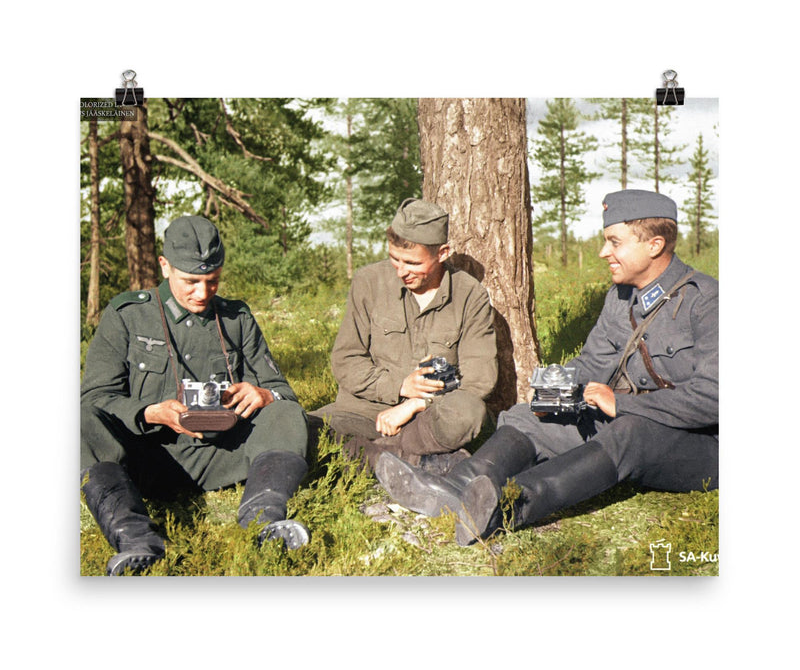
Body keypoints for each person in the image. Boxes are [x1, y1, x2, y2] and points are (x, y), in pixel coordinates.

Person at [375, 189, 718, 546]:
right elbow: (593, 363)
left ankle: (509, 506)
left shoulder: (707, 301)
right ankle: (457, 486)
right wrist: (553, 395)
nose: (604, 252)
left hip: (699, 447)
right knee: (528, 415)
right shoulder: (621, 297)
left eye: (614, 242)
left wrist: (624, 405)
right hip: (628, 424)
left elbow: (714, 397)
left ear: (655, 245)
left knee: (630, 430)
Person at [81, 215, 311, 575]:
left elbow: (283, 392)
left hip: (225, 455)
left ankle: (264, 520)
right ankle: (136, 540)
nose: (202, 294)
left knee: (285, 412)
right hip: (148, 459)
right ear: (165, 266)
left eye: (213, 281)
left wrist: (264, 395)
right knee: (79, 423)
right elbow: (96, 398)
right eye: (190, 281)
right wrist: (149, 413)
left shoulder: (236, 318)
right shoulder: (127, 315)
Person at [310, 198, 497, 472]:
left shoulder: (470, 295)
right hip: (363, 412)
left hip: (431, 418)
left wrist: (417, 403)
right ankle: (413, 460)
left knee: (468, 414)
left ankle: (375, 455)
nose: (401, 271)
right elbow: (346, 360)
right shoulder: (368, 282)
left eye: (412, 263)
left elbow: (480, 379)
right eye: (394, 259)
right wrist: (399, 386)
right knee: (301, 431)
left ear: (442, 253)